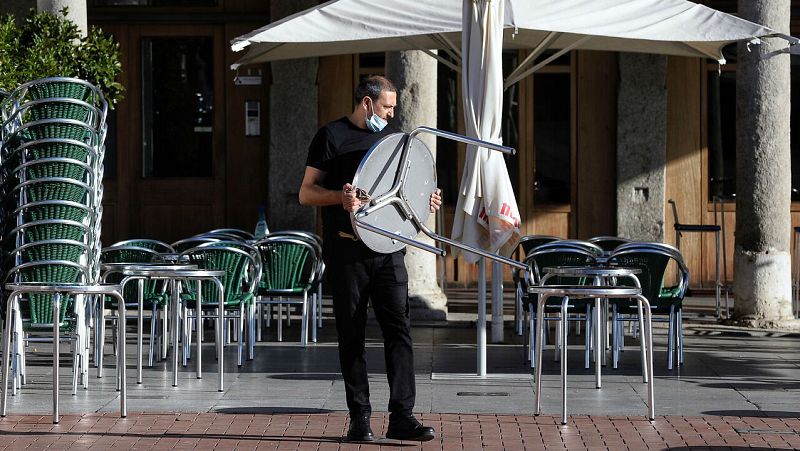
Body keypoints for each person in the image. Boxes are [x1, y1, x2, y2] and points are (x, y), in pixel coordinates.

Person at [299, 75, 442, 442]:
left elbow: (405, 187)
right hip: (347, 250)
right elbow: (306, 193)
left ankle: (402, 416)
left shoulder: (392, 140)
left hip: (389, 249)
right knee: (352, 335)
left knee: (399, 331)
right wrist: (340, 199)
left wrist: (426, 201)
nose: (392, 115)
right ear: (367, 103)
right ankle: (359, 418)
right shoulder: (330, 136)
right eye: (387, 107)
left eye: (394, 107)